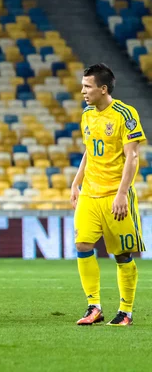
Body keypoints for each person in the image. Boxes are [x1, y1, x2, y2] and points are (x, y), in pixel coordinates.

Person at [71, 63, 146, 326]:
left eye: (87, 86)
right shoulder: (87, 114)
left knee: (123, 254)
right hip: (90, 194)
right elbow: (90, 151)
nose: (83, 91)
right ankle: (94, 307)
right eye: (83, 85)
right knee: (82, 245)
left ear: (103, 89)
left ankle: (125, 310)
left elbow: (133, 156)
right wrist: (76, 182)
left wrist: (122, 193)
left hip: (116, 195)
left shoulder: (125, 114)